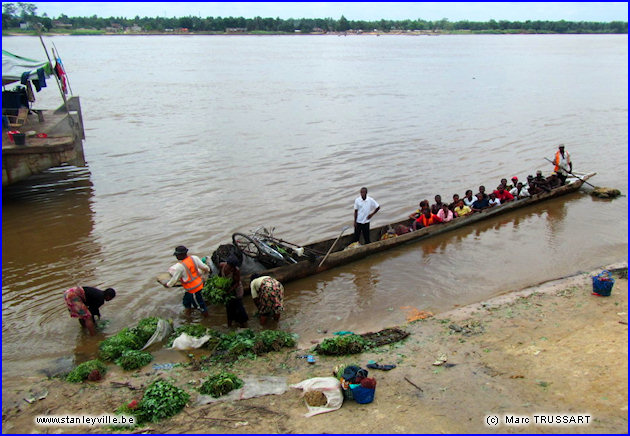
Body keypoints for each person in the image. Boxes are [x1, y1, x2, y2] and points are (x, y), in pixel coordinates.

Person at [163, 245, 210, 317]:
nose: (176, 257)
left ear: (181, 254)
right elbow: (205, 267)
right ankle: (197, 313)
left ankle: (202, 317)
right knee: (199, 301)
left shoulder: (180, 266)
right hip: (199, 284)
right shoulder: (194, 258)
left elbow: (174, 280)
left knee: (193, 303)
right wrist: (208, 271)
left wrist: (167, 285)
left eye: (177, 255)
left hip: (191, 289)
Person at [219, 255, 249, 327]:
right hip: (227, 289)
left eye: (233, 267)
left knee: (238, 307)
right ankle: (230, 324)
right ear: (228, 264)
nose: (231, 268)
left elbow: (237, 283)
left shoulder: (236, 271)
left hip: (236, 290)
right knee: (229, 308)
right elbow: (220, 275)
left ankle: (243, 324)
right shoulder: (222, 265)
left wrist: (229, 291)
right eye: (231, 266)